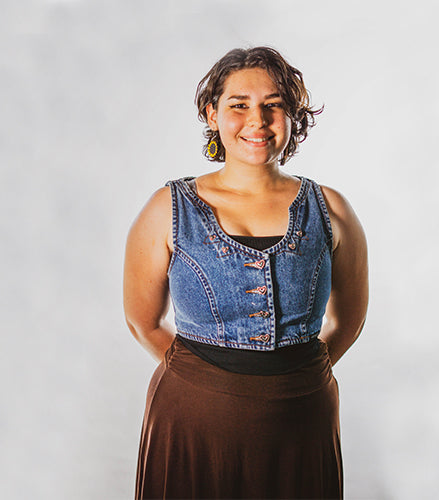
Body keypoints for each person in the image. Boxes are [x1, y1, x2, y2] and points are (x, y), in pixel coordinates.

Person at [123, 46, 368, 500]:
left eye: (273, 105)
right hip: (191, 423)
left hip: (302, 423)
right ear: (212, 113)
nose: (257, 120)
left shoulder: (331, 209)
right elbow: (143, 321)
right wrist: (212, 381)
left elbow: (349, 320)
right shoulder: (167, 209)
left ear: (292, 116)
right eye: (239, 105)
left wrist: (295, 378)